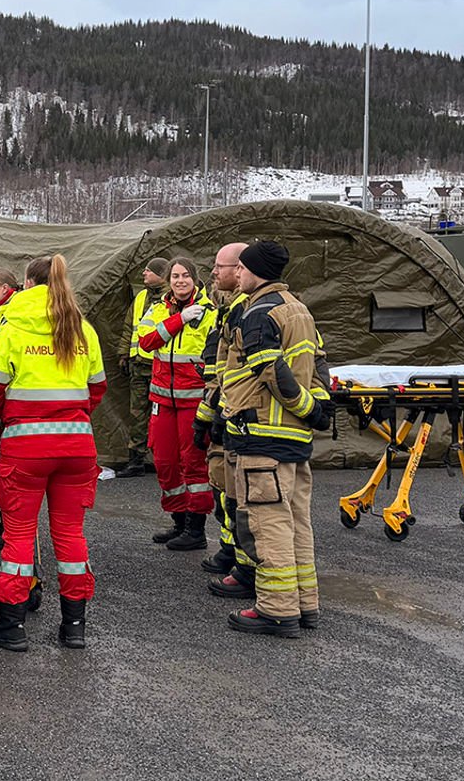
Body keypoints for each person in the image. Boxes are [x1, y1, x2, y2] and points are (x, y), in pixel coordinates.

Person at [0, 255, 106, 651]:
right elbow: (96, 388)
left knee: (18, 535)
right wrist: (72, 420)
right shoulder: (82, 329)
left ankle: (11, 626)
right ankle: (75, 626)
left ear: (27, 285)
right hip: (77, 447)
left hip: (26, 449)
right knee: (70, 535)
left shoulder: (14, 328)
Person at [218, 241, 332, 638]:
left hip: (263, 435)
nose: (237, 275)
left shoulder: (259, 313)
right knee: (297, 523)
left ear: (253, 271)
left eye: (242, 269)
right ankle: (304, 605)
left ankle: (277, 610)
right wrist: (317, 408)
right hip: (294, 440)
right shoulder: (299, 309)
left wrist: (303, 406)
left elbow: (271, 372)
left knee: (269, 526)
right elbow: (319, 365)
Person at [135, 257, 217, 550]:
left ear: (195, 278)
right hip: (162, 399)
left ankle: (196, 529)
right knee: (165, 462)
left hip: (193, 401)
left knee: (194, 464)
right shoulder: (158, 309)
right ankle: (179, 521)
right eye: (175, 276)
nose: (180, 281)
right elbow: (145, 342)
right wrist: (179, 320)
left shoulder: (210, 313)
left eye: (185, 276)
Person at [196, 242, 249, 578]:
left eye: (221, 267)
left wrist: (215, 415)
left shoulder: (246, 311)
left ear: (240, 270)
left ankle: (238, 556)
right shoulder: (226, 309)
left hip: (235, 416)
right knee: (221, 485)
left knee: (235, 493)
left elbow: (235, 374)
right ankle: (229, 548)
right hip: (220, 410)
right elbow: (215, 372)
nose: (214, 273)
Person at [113, 258, 170, 479]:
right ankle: (136, 460)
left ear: (161, 274)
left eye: (149, 270)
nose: (144, 273)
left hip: (161, 366)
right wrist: (123, 353)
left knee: (162, 417)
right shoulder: (141, 298)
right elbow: (130, 327)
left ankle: (163, 460)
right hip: (139, 365)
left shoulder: (172, 298)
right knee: (137, 414)